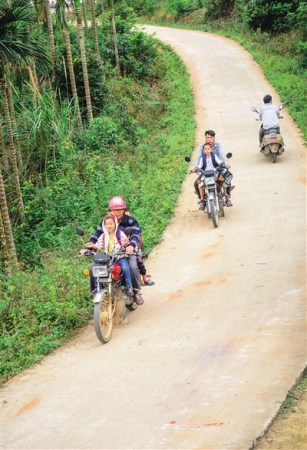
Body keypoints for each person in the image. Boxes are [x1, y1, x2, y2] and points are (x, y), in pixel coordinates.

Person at [86, 196, 144, 305]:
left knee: (132, 267)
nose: (117, 212)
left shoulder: (130, 220)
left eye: (119, 209)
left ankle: (135, 291)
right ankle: (98, 290)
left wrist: (131, 245)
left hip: (126, 251)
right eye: (114, 210)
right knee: (92, 268)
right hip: (109, 254)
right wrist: (89, 246)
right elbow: (97, 235)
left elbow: (136, 233)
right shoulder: (106, 221)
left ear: (124, 210)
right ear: (110, 210)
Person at [82, 213, 135, 298]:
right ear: (104, 225)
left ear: (115, 224)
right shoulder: (103, 236)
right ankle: (97, 287)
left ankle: (129, 287)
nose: (109, 226)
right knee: (94, 268)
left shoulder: (120, 234)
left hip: (119, 257)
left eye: (111, 223)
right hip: (107, 259)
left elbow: (125, 243)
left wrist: (126, 244)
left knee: (125, 268)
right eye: (106, 224)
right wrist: (93, 246)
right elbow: (98, 245)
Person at [191, 130, 234, 204]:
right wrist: (195, 167)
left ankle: (227, 197)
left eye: (211, 137)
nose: (209, 139)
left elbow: (222, 155)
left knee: (225, 178)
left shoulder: (218, 146)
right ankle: (202, 199)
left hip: (217, 171)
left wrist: (225, 164)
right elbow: (198, 158)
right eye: (207, 138)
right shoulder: (202, 147)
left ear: (214, 138)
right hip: (205, 173)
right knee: (197, 183)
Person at [125, 210, 155, 287]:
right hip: (120, 250)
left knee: (139, 261)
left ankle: (145, 279)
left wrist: (135, 247)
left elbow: (138, 238)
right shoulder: (118, 228)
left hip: (134, 248)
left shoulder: (134, 227)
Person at [197, 142, 224, 210]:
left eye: (208, 149)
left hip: (215, 173)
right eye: (205, 149)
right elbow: (200, 165)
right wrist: (197, 169)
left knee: (222, 179)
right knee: (198, 183)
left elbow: (219, 162)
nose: (207, 150)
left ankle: (226, 195)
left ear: (211, 149)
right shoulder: (202, 158)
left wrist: (222, 164)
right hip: (205, 175)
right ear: (203, 151)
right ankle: (202, 199)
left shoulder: (214, 155)